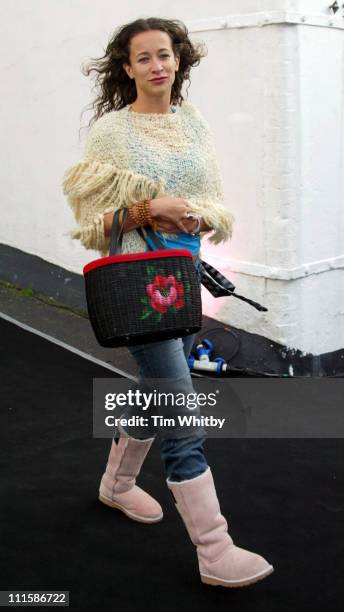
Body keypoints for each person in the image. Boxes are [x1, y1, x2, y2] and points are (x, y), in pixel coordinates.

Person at [62, 17, 274, 588]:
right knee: (182, 411)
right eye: (144, 57)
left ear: (179, 61)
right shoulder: (113, 132)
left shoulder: (194, 122)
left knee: (154, 392)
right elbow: (91, 222)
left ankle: (116, 486)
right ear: (126, 68)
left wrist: (196, 215)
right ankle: (214, 550)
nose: (157, 65)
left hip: (182, 279)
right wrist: (149, 210)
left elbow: (208, 199)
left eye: (166, 54)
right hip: (140, 285)